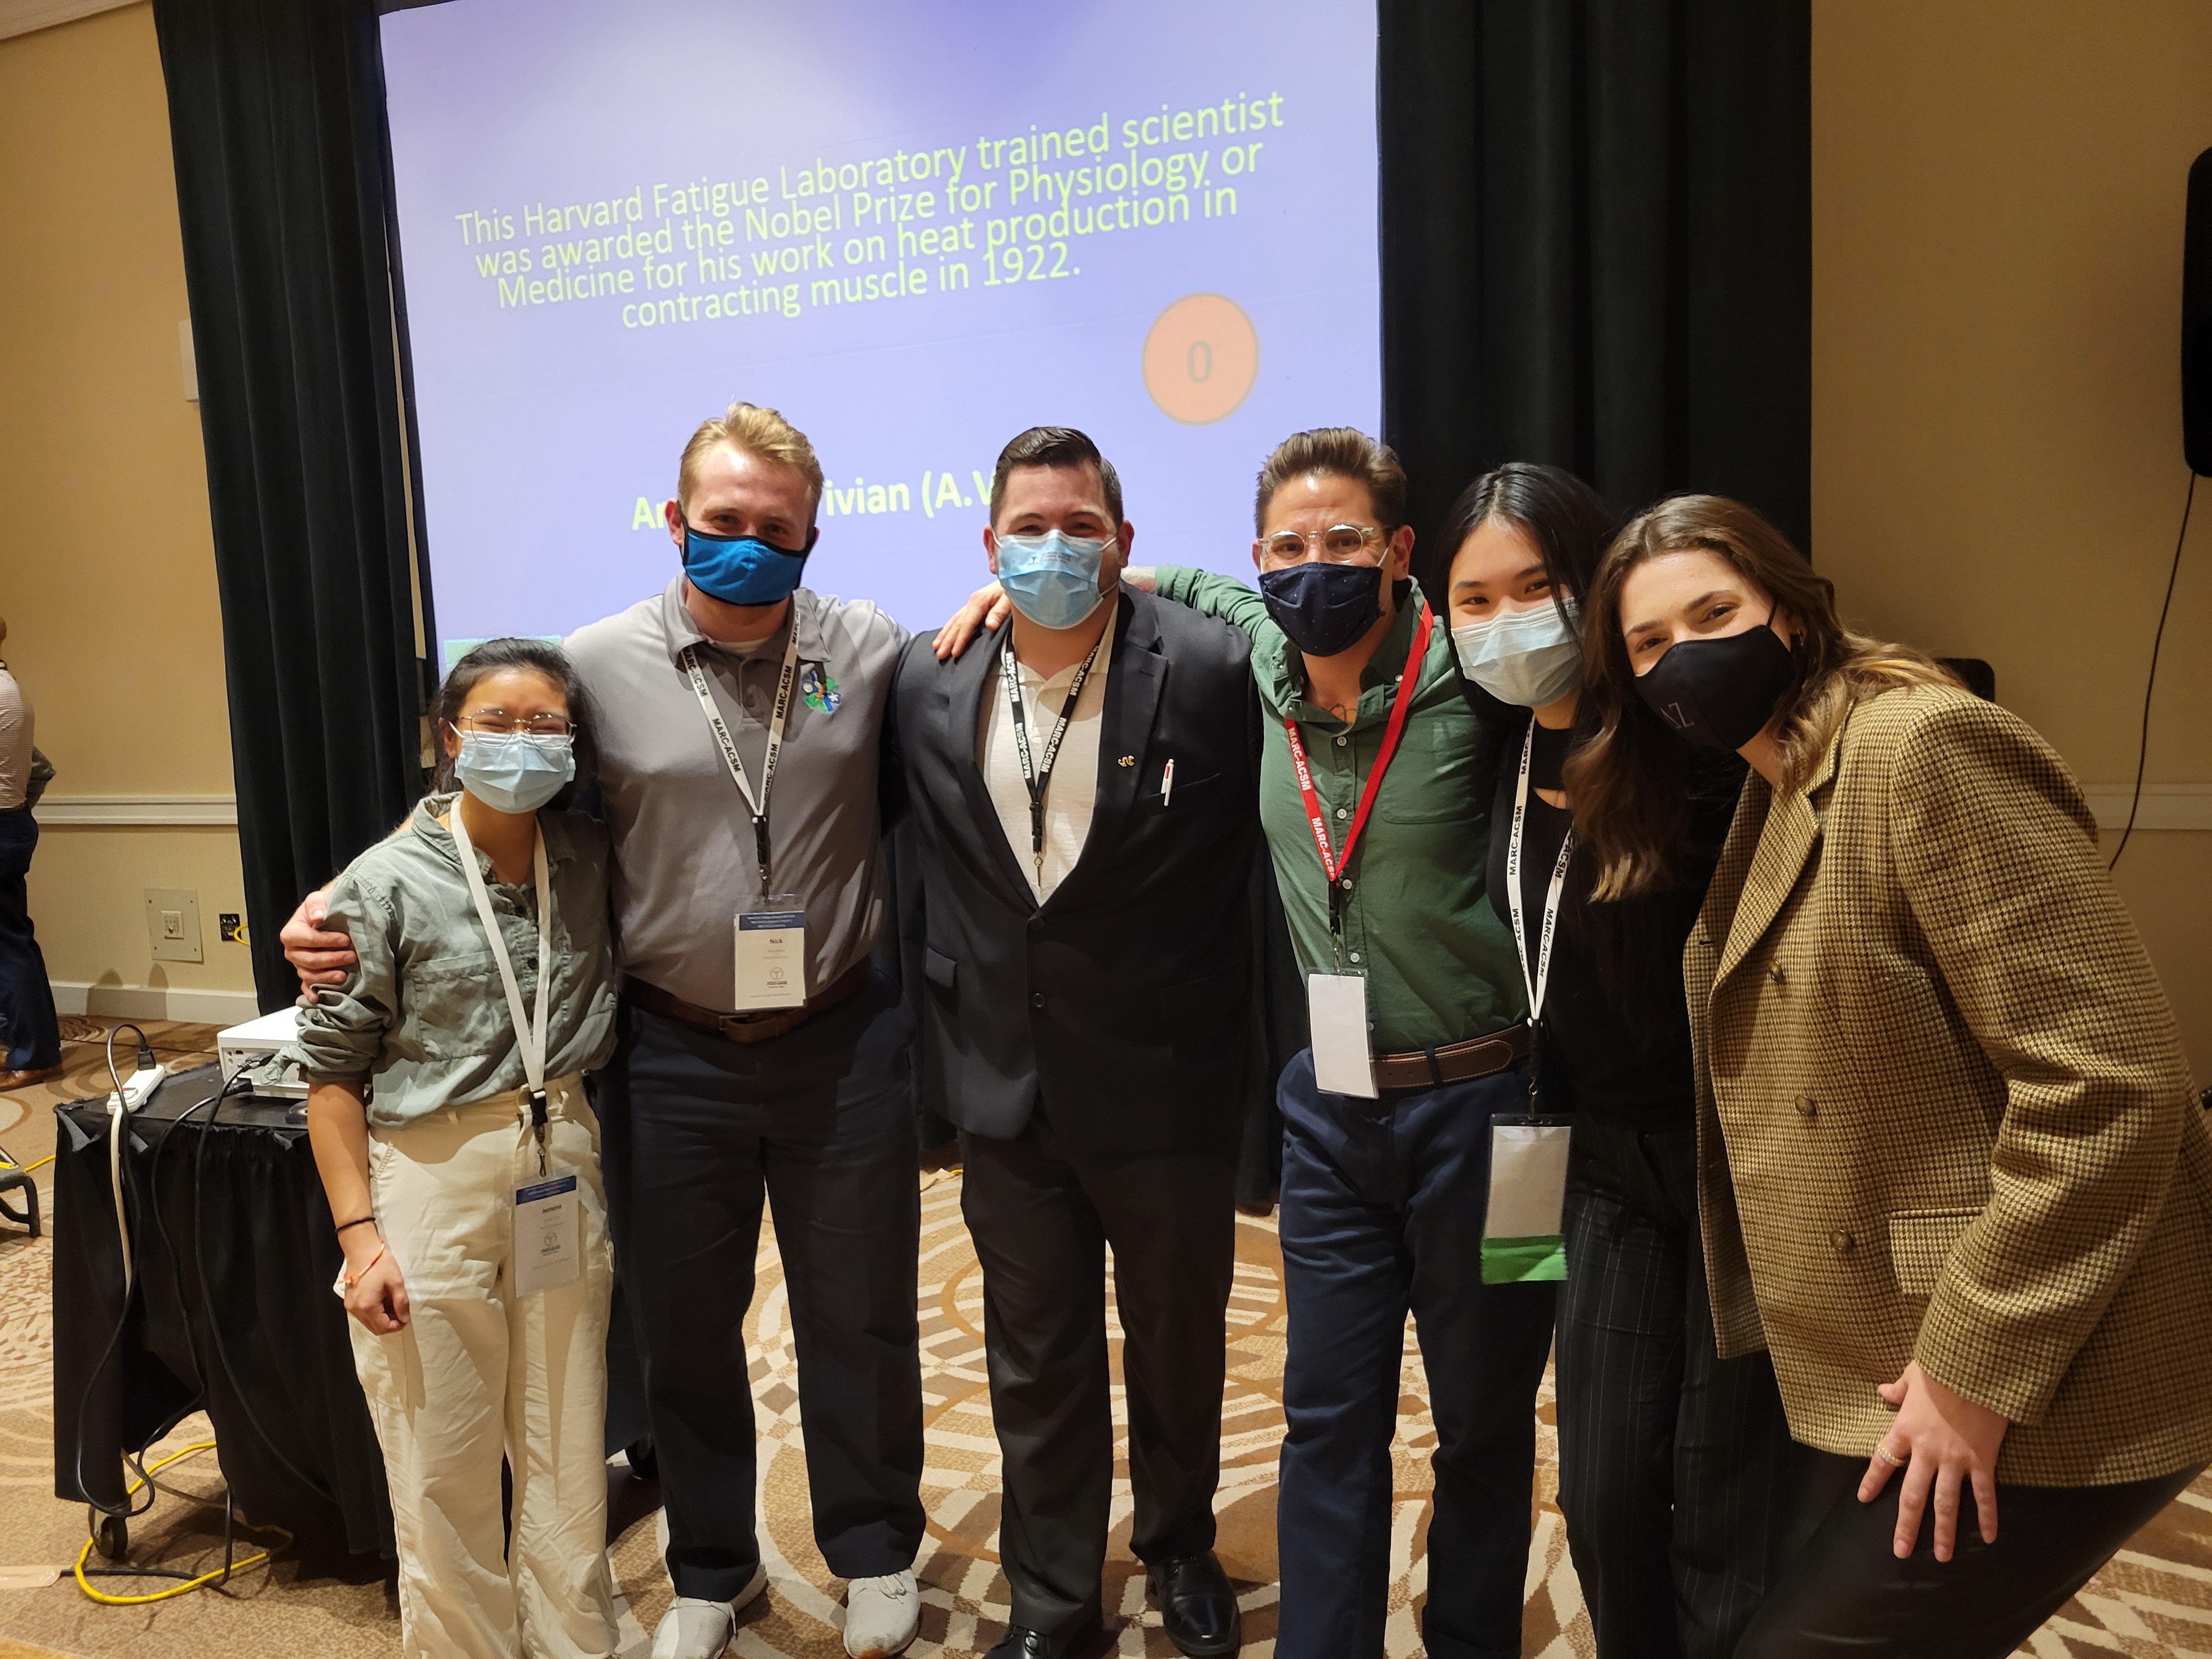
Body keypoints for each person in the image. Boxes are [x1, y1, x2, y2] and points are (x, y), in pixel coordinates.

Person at [285, 402, 926, 1659]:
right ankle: (710, 1563)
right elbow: (497, 786)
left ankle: (872, 1547)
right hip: (673, 1048)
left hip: (841, 1037)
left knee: (859, 1308)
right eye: (724, 522)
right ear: (677, 518)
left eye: (776, 529)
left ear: (813, 532)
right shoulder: (599, 659)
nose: (749, 545)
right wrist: (339, 904)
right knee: (684, 1319)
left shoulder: (874, 647)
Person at [945, 428, 1554, 1656]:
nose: (1313, 565)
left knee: (1490, 1414)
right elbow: (1164, 582)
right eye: (1288, 545)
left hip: (1506, 1119)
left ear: (1400, 555)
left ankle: (1475, 1635)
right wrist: (1010, 589)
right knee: (1327, 1416)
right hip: (1328, 1120)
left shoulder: (1483, 684)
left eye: (1344, 543)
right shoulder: (1260, 650)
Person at [1570, 493, 2212, 1656]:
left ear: (1793, 614)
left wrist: (1975, 1371)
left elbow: (2111, 1081)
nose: (1687, 659)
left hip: (2036, 1364)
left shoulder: (1918, 749)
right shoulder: (1780, 789)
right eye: (1651, 645)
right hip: (1884, 1356)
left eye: (1715, 612)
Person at [902, 427, 1263, 1658]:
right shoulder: (927, 679)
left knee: (1179, 1343)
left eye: (1080, 525)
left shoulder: (1209, 668)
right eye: (1030, 527)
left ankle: (1178, 1543)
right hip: (1006, 1083)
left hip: (1167, 1086)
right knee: (1035, 1361)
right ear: (988, 544)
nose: (1055, 546)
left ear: (1124, 540)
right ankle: (1055, 1601)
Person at [1436, 464, 1798, 1658]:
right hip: (1586, 1163)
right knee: (1598, 1495)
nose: (1505, 622)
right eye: (1473, 598)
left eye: (1535, 587)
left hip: (1727, 1171)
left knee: (1719, 1499)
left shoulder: (1678, 747)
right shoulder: (1499, 757)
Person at [292, 638, 619, 1659]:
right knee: (443, 1452)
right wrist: (359, 1237)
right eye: (498, 722)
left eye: (545, 725)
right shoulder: (379, 884)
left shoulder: (589, 853)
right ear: (451, 735)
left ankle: (577, 1640)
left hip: (562, 1145)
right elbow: (332, 1079)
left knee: (569, 1436)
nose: (523, 741)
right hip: (433, 1168)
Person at [0, 618, 61, 1091]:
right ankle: (33, 1045)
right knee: (14, 939)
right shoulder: (10, 687)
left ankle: (33, 1054)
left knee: (8, 945)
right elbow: (39, 768)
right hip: (11, 822)